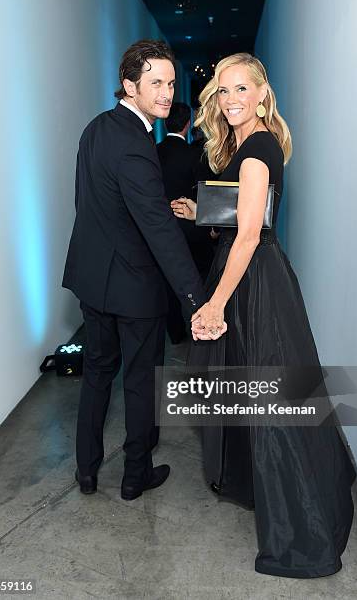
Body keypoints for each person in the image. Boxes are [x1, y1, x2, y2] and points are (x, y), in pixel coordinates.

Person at [171, 53, 356, 578]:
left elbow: (250, 235)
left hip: (251, 282)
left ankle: (301, 529)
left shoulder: (257, 148)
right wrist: (201, 211)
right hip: (251, 275)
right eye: (222, 92)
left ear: (260, 94)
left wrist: (214, 303)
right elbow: (243, 216)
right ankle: (270, 483)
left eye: (239, 90)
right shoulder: (254, 144)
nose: (230, 101)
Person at [62, 40, 225, 502]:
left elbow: (86, 203)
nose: (167, 93)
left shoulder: (95, 129)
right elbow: (159, 230)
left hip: (93, 278)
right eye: (156, 83)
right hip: (134, 287)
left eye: (171, 83)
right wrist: (197, 299)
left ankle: (86, 471)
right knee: (138, 380)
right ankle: (135, 475)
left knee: (96, 373)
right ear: (129, 85)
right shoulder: (136, 146)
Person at [157, 102, 215, 343]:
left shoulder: (154, 151)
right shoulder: (195, 155)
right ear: (188, 124)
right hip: (193, 228)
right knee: (199, 279)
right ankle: (200, 329)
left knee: (169, 282)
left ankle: (176, 333)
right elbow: (207, 193)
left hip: (162, 228)